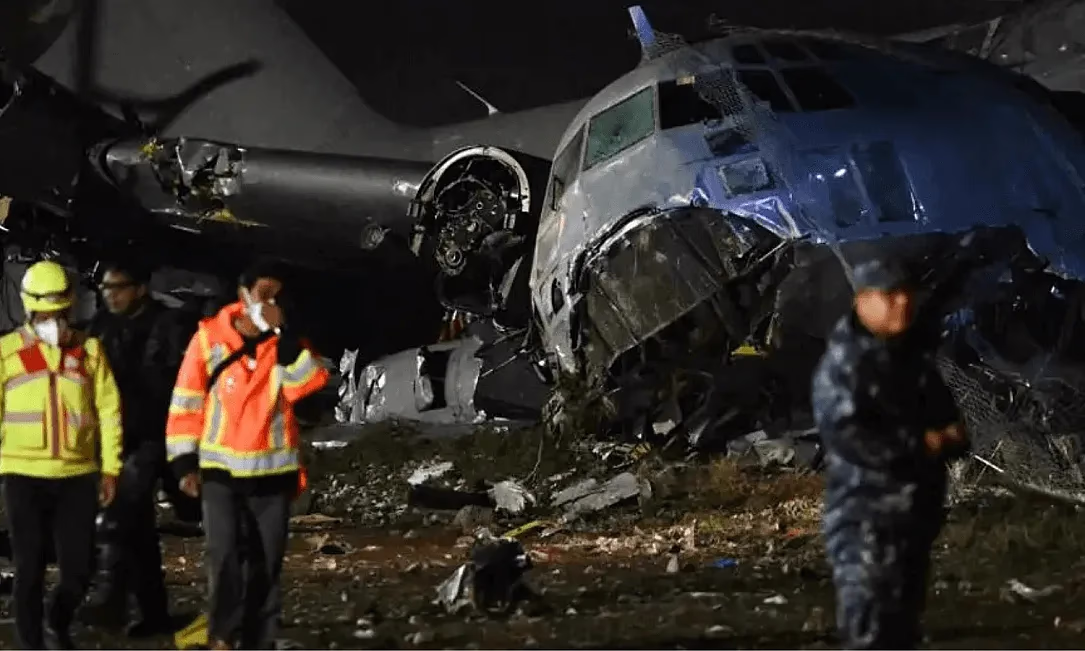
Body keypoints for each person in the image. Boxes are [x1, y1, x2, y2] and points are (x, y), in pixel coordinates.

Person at [166, 260, 328, 650]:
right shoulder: (209, 339)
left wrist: (286, 336)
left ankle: (259, 641)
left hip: (273, 472)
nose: (270, 302)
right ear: (243, 295)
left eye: (277, 296)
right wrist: (184, 462)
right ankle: (223, 635)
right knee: (223, 558)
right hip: (219, 471)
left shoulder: (285, 344)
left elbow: (304, 385)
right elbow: (186, 402)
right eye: (264, 294)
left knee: (265, 565)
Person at [811, 259, 970, 649]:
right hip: (868, 519)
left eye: (905, 295)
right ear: (862, 301)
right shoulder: (849, 365)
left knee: (902, 625)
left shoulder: (906, 356)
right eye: (888, 296)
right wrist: (923, 443)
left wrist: (947, 435)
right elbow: (850, 437)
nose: (901, 304)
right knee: (871, 628)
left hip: (911, 515)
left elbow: (944, 415)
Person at [0, 260, 122, 649]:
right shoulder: (6, 353)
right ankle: (33, 644)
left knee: (79, 570)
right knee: (29, 569)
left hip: (77, 475)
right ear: (29, 308)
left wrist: (111, 469)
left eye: (58, 311)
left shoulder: (89, 351)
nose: (52, 320)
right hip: (22, 475)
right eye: (44, 312)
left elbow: (108, 410)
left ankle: (58, 619)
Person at [81, 260, 182, 636]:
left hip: (153, 435)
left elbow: (174, 386)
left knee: (121, 513)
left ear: (140, 288)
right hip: (116, 436)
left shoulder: (166, 326)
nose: (111, 295)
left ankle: (113, 598)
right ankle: (151, 611)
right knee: (136, 527)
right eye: (106, 288)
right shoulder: (102, 326)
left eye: (118, 287)